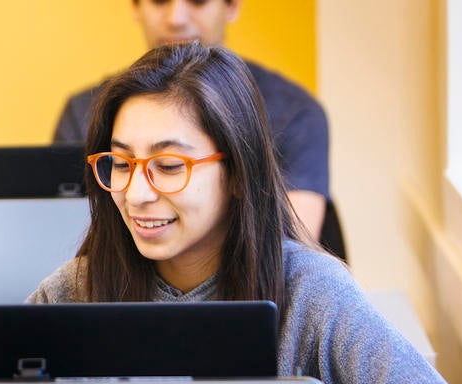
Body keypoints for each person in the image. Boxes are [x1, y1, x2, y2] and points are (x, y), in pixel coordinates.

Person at [27, 43, 462, 384]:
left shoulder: (312, 292)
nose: (136, 193)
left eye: (168, 165)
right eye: (122, 162)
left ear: (239, 176)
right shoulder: (74, 290)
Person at [53, 0, 330, 244]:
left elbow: (291, 244)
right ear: (136, 6)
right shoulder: (84, 111)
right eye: (122, 164)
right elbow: (64, 236)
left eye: (170, 165)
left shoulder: (293, 111)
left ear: (231, 5)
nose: (176, 18)